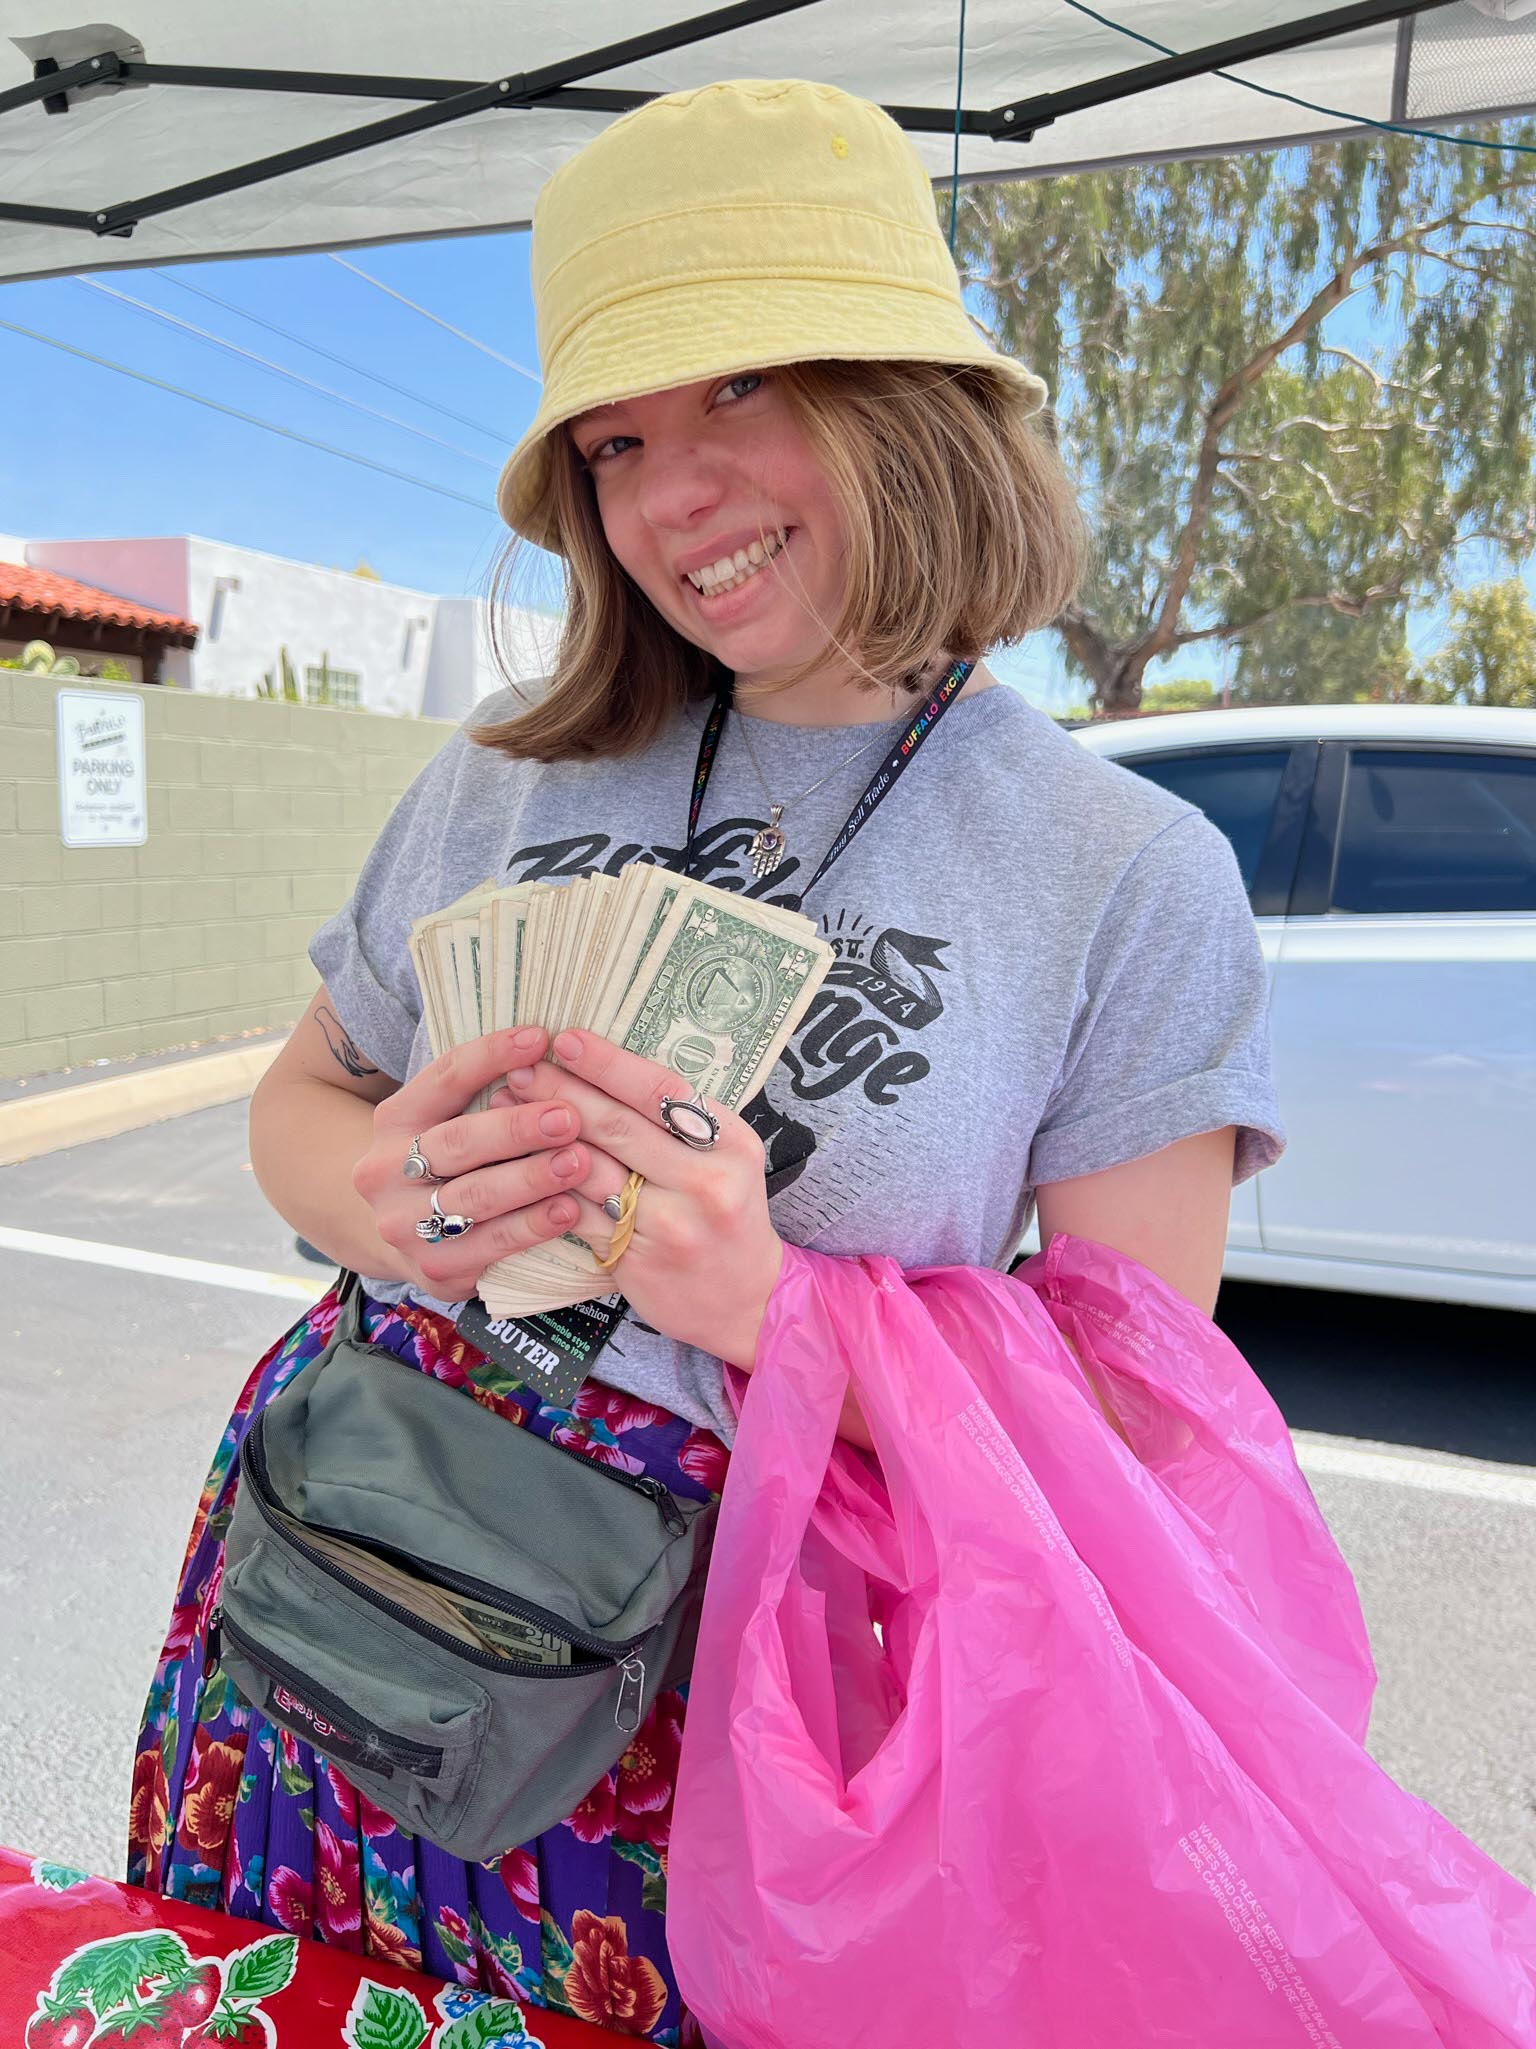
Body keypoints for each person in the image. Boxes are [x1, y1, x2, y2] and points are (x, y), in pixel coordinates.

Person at [129, 78, 1286, 2043]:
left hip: (728, 1713)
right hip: (344, 1577)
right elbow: (301, 1106)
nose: (672, 494)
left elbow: (1126, 1441)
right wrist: (390, 1190)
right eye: (619, 437)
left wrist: (775, 1306)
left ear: (905, 395)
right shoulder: (500, 771)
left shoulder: (1126, 873)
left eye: (739, 389)